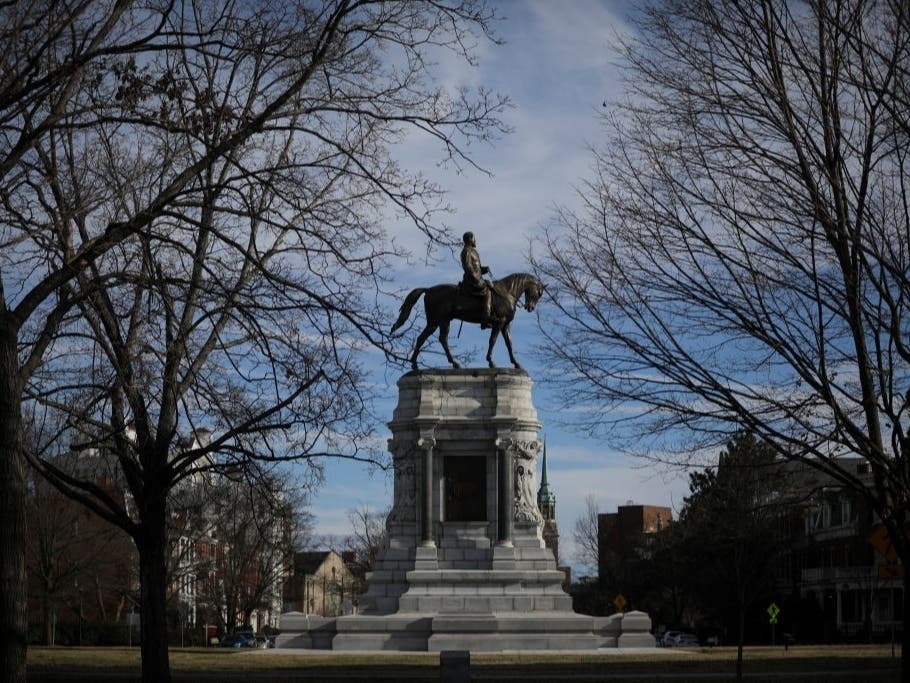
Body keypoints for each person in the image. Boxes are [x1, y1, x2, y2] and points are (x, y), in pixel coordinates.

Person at [460, 231, 494, 328]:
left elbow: (476, 269)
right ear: (470, 239)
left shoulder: (473, 251)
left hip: (476, 278)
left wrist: (484, 269)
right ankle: (485, 319)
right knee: (488, 289)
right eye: (474, 238)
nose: (476, 241)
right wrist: (476, 278)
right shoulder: (466, 250)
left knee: (490, 285)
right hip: (471, 281)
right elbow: (467, 267)